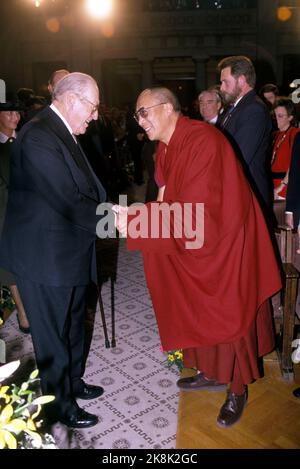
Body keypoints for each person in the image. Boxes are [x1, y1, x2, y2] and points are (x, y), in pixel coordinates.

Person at [113, 87, 282, 428]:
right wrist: (140, 217)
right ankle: (211, 372)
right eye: (137, 115)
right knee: (192, 304)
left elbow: (200, 216)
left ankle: (237, 388)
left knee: (228, 311)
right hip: (199, 242)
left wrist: (135, 220)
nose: (139, 121)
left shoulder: (203, 141)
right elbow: (165, 201)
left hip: (227, 243)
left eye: (143, 113)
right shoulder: (165, 148)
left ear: (166, 108)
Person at [0, 72, 107, 428]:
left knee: (74, 325)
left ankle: (73, 382)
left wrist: (111, 210)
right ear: (72, 100)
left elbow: (85, 187)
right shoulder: (38, 134)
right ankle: (59, 406)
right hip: (44, 256)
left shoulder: (63, 130)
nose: (94, 116)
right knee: (52, 338)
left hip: (68, 248)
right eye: (92, 107)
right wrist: (112, 220)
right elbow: (66, 199)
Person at [218, 56, 273, 211]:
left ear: (241, 80)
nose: (221, 88)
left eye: (225, 82)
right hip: (238, 192)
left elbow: (239, 156)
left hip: (248, 196)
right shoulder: (235, 108)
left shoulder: (253, 109)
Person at [0, 93, 30, 333]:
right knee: (10, 266)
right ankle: (22, 311)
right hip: (4, 212)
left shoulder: (28, 140)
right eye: (9, 112)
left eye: (17, 112)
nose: (15, 117)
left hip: (31, 210)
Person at [271, 98, 300, 233]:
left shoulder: (295, 134)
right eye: (275, 115)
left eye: (281, 116)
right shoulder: (276, 135)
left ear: (290, 117)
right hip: (274, 183)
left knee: (285, 228)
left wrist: (282, 185)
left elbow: (294, 164)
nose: (277, 119)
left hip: (286, 187)